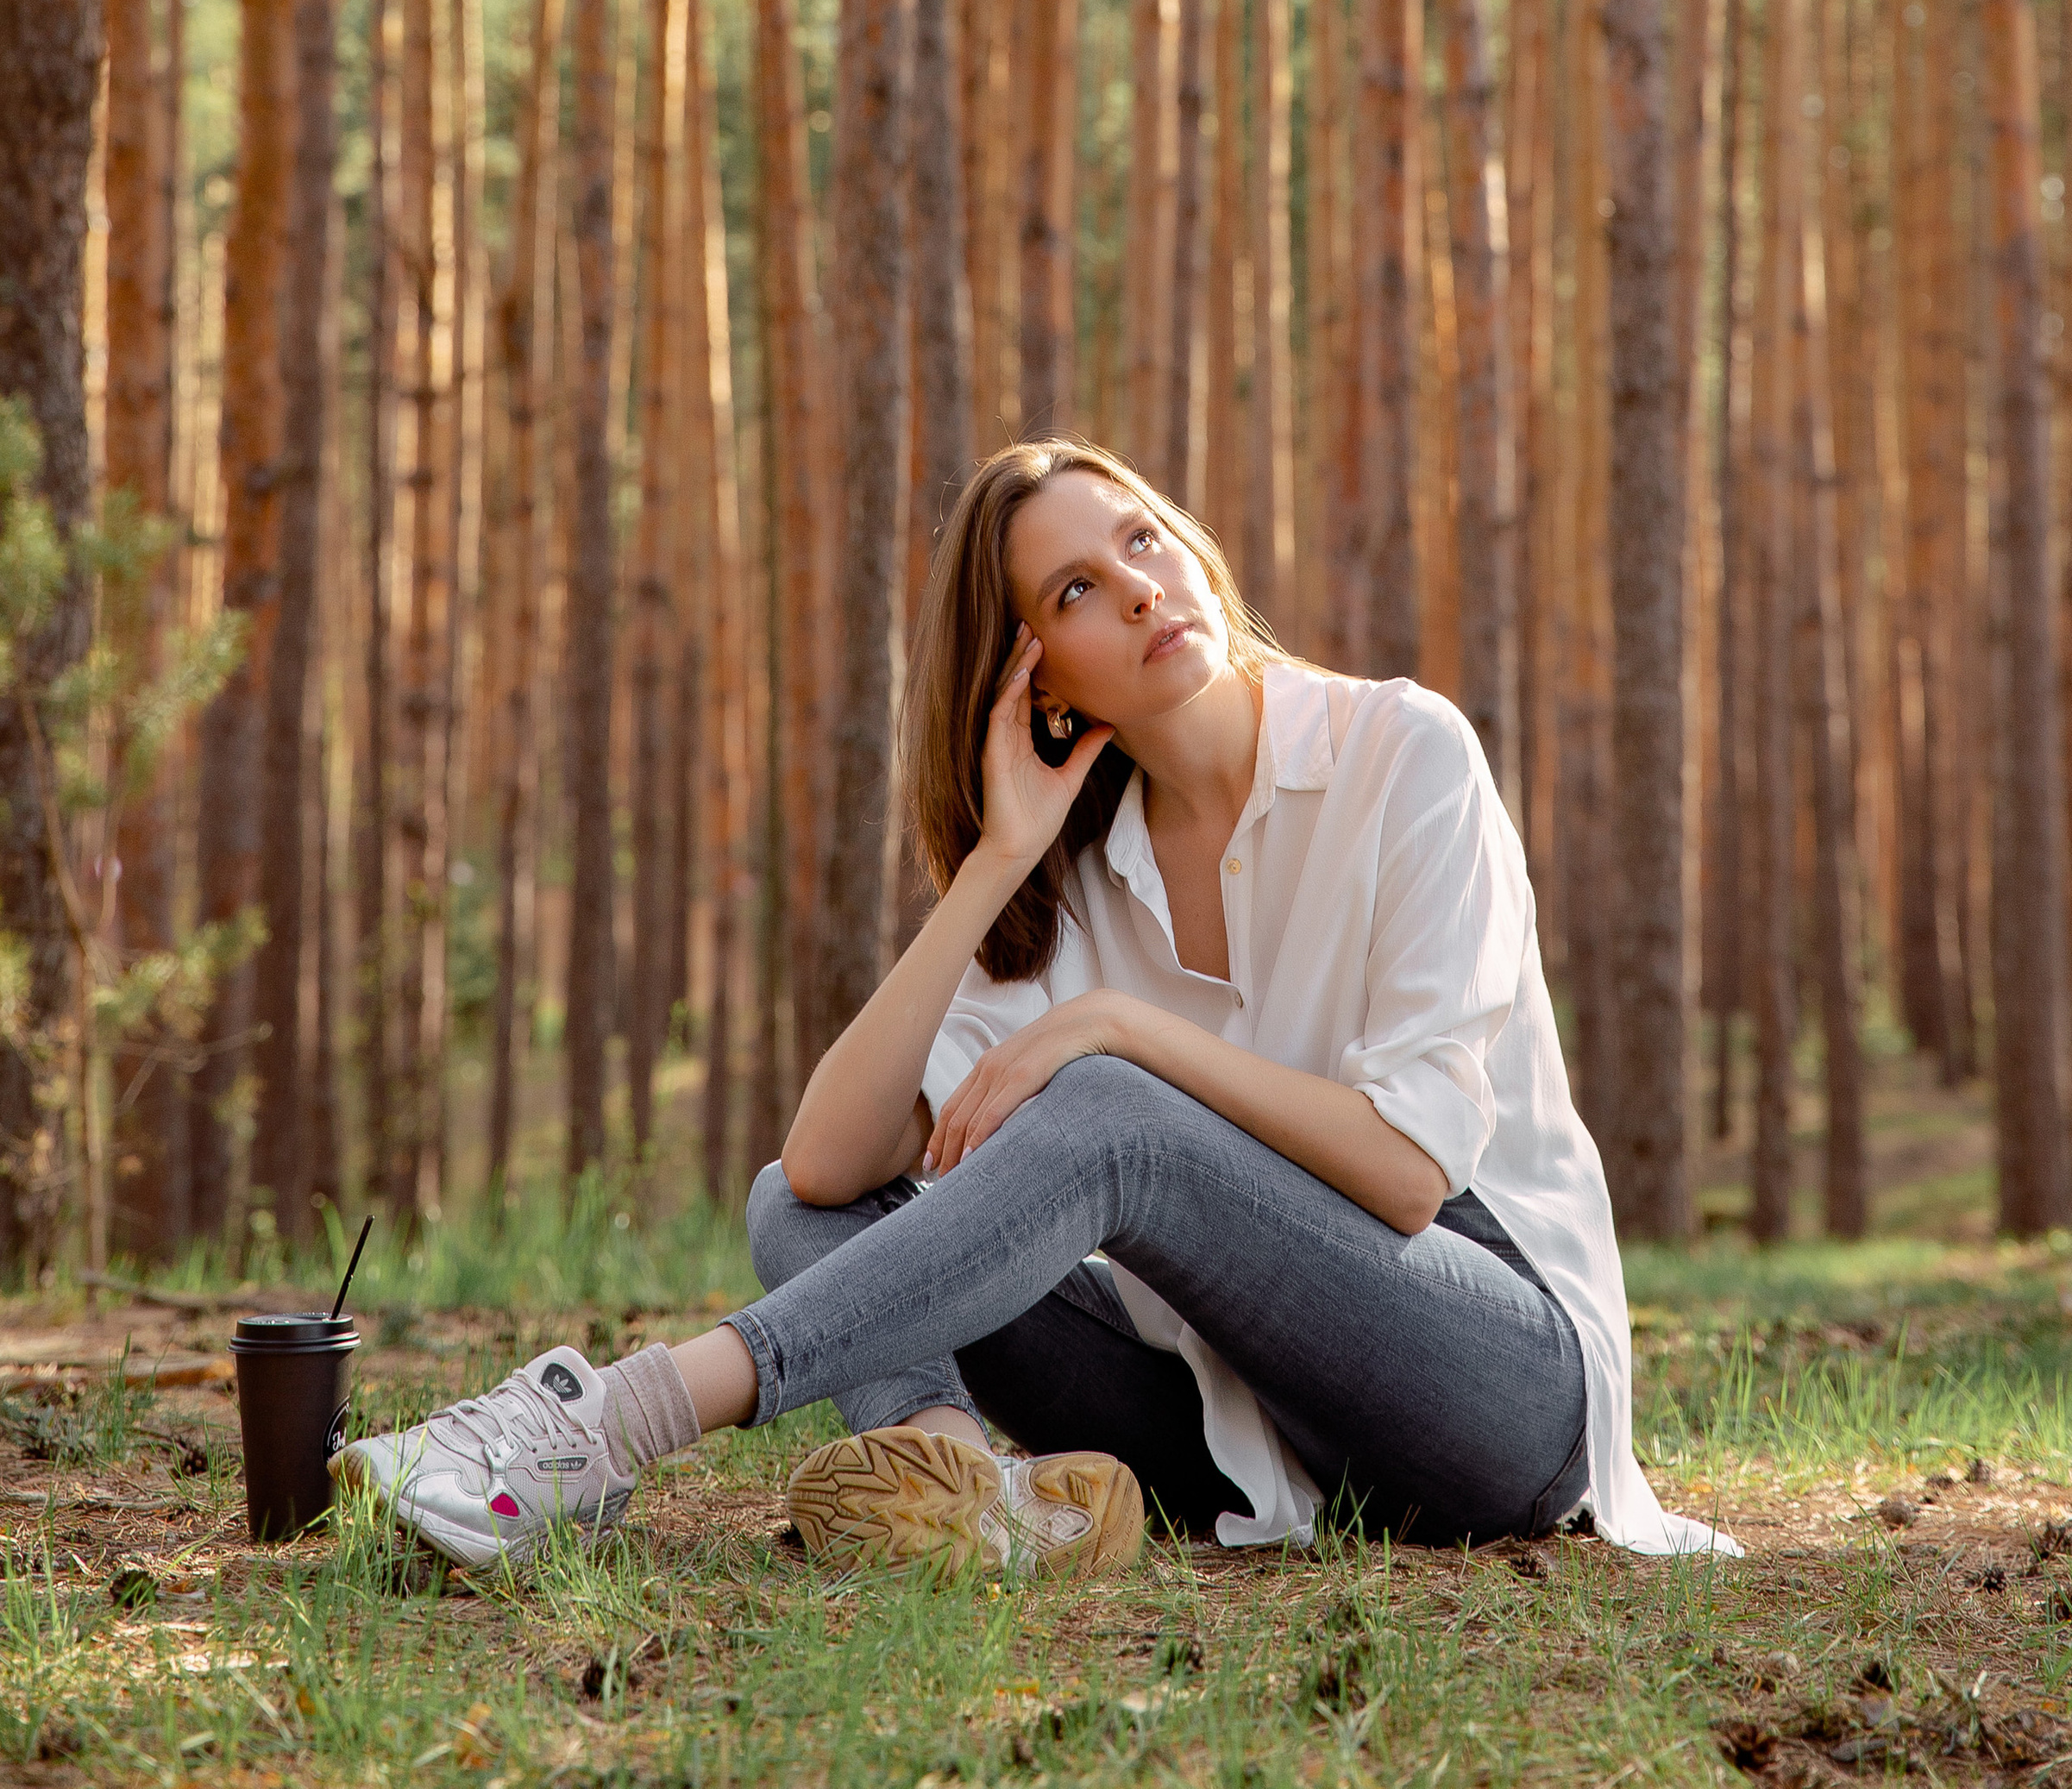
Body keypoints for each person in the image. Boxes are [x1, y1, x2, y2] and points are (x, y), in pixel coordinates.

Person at [340, 438, 1733, 1582]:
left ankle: (610, 1423)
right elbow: (827, 1165)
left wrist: (1124, 1032)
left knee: (1117, 1108)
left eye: (1142, 540)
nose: (1139, 589)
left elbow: (1410, 1169)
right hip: (1232, 1435)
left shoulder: (1401, 752)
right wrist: (999, 861)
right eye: (1076, 590)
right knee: (803, 1207)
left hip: (1496, 1391)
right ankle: (967, 1492)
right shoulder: (1075, 870)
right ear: (1033, 677)